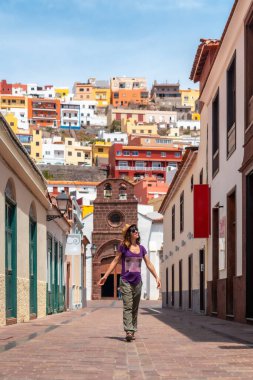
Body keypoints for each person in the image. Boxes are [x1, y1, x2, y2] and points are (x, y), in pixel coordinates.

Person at [98, 223, 161, 342]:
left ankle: (132, 329)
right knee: (128, 306)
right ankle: (128, 330)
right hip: (126, 280)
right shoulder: (123, 247)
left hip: (137, 282)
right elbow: (115, 261)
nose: (136, 232)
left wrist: (157, 277)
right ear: (129, 234)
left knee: (135, 307)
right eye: (133, 231)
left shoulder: (142, 248)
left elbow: (149, 264)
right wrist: (105, 276)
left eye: (136, 230)